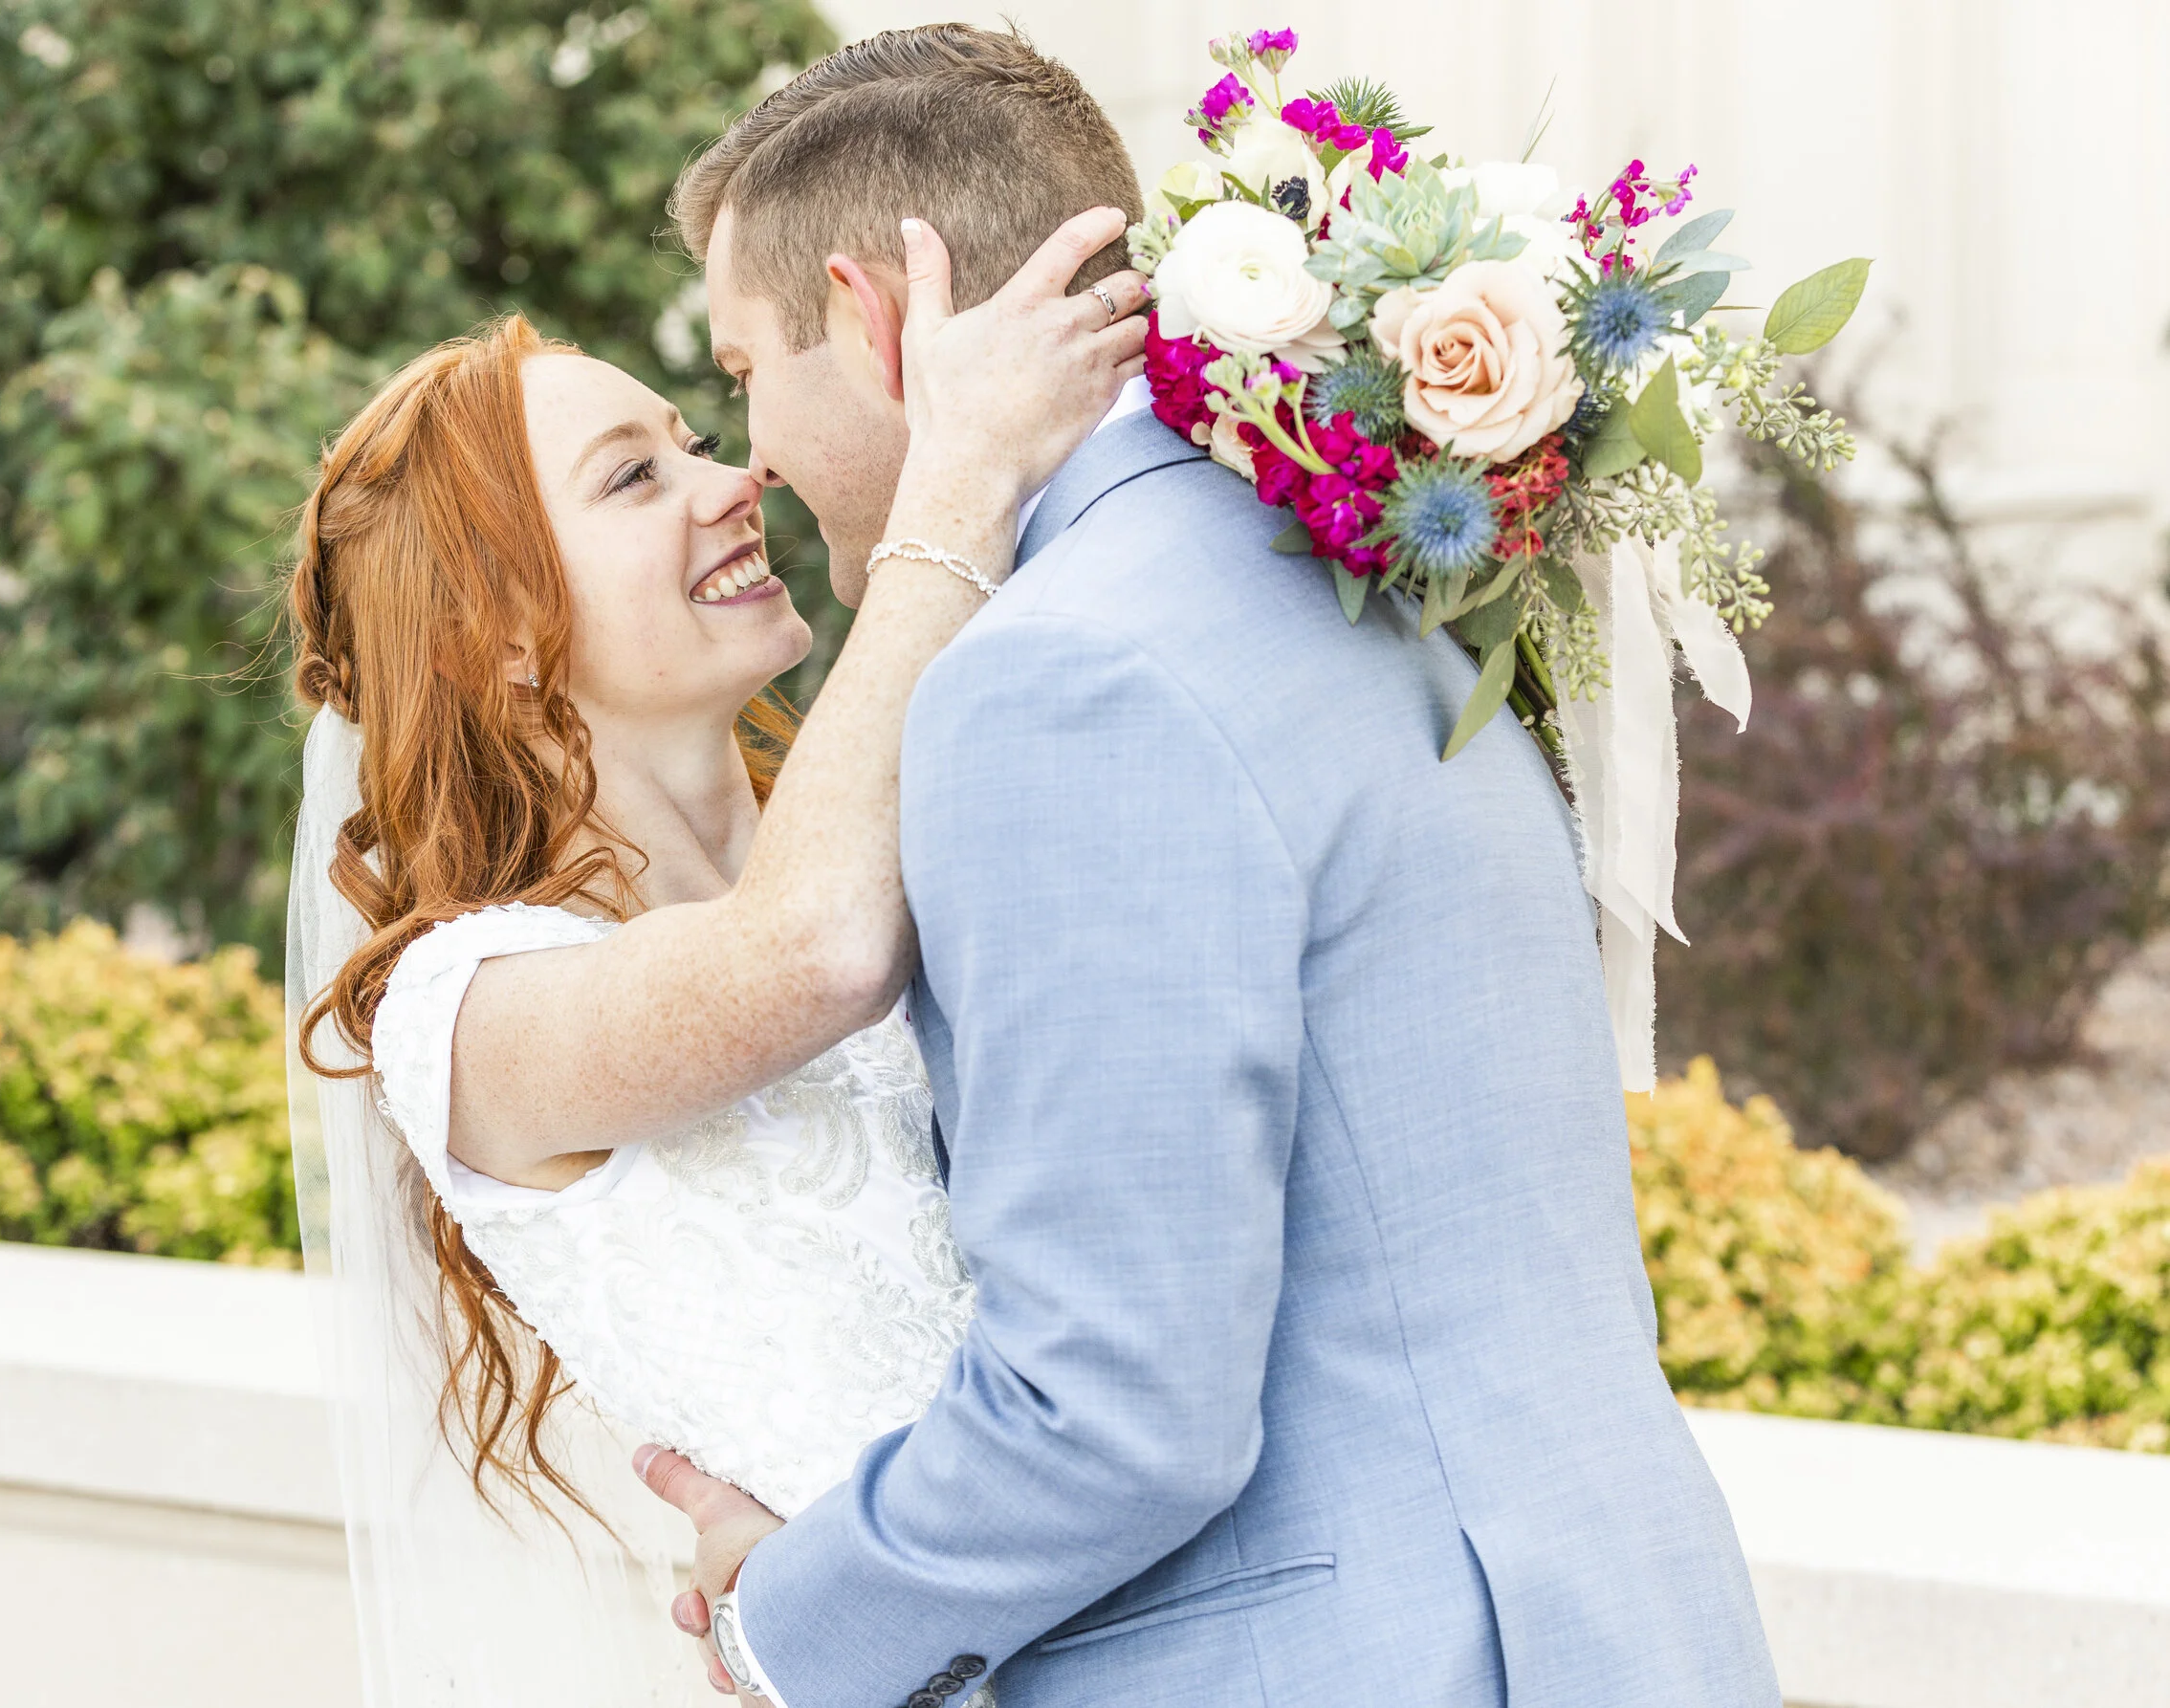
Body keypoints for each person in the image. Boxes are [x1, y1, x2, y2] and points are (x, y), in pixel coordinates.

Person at [629, 24, 1784, 1708]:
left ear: (877, 321)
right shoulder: (1356, 577)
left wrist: (787, 1622)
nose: (753, 455)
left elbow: (1117, 1411)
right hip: (1600, 1623)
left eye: (745, 370)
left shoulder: (1060, 683)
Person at [281, 75, 1150, 1708]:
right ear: (505, 637)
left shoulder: (889, 800)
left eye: (694, 433)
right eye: (632, 479)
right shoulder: (464, 1008)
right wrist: (955, 480)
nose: (727, 477)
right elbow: (810, 952)